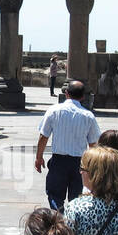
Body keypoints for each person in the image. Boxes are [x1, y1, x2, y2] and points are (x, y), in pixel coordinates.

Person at [35, 79, 99, 211]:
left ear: (66, 93)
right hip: (79, 163)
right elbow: (93, 144)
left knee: (54, 195)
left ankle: (59, 219)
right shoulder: (88, 116)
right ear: (82, 97)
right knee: (77, 199)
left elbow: (43, 136)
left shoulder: (54, 111)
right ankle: (72, 224)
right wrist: (93, 167)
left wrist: (39, 157)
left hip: (59, 161)